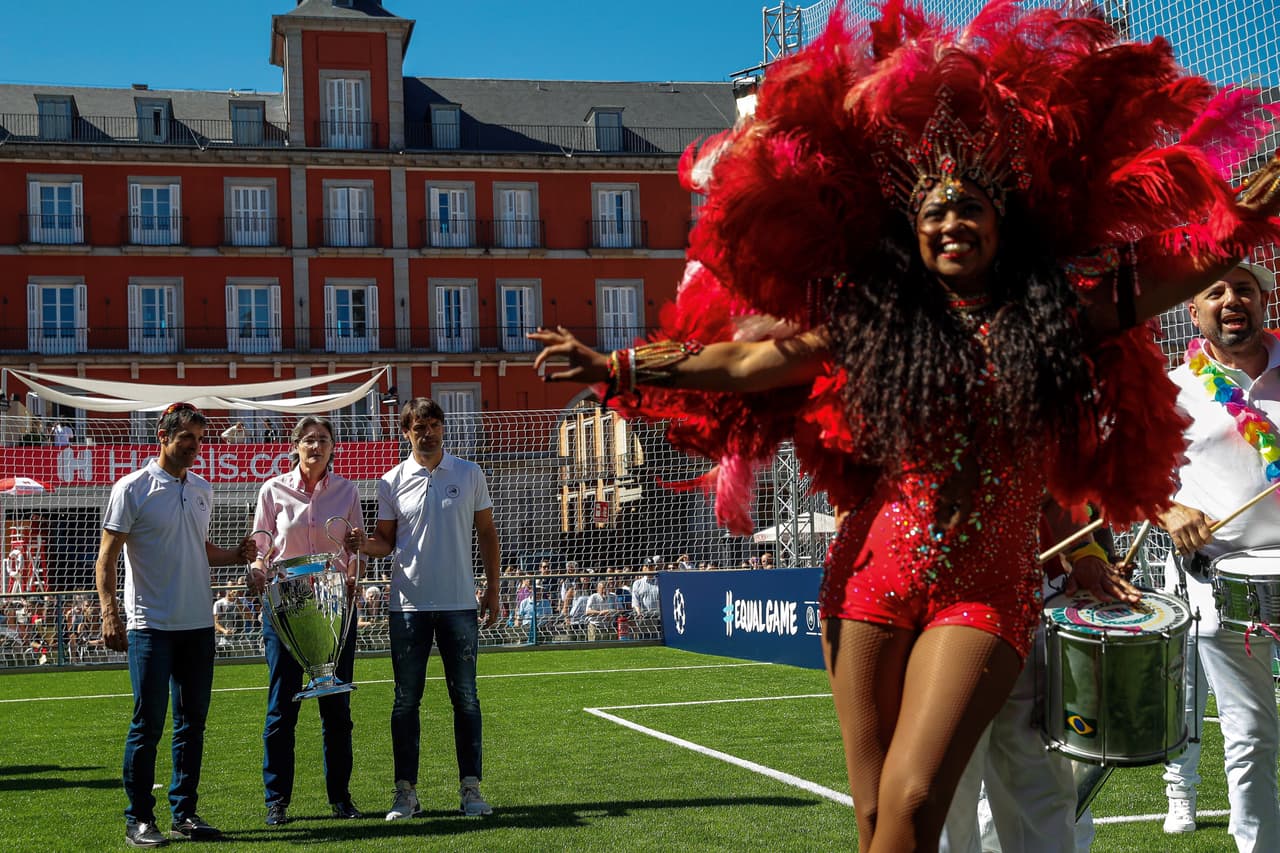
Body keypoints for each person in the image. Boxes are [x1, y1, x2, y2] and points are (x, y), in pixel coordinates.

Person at [530, 4, 1280, 847]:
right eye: (934, 214)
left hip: (986, 588)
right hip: (871, 577)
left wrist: (1256, 206)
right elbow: (746, 363)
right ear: (913, 234)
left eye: (970, 210)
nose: (952, 224)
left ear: (1002, 223)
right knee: (876, 814)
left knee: (918, 796)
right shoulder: (877, 322)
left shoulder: (1060, 317)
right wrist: (617, 367)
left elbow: (1190, 262)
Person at [94, 401, 257, 848]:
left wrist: (235, 554)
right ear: (162, 437)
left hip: (198, 625)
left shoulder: (202, 488)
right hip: (150, 625)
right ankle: (138, 819)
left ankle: (184, 813)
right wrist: (110, 613)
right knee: (148, 724)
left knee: (192, 724)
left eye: (199, 439)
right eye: (186, 437)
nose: (194, 446)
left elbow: (199, 547)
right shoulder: (132, 488)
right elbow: (106, 558)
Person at [1157, 261, 1280, 850]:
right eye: (1216, 291)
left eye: (1246, 291)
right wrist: (1167, 509)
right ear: (1194, 310)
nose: (1233, 300)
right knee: (1249, 735)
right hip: (1219, 587)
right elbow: (1132, 477)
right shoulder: (1170, 391)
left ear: (1265, 302)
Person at [351, 397, 501, 820]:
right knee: (405, 701)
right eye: (419, 427)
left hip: (459, 603)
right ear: (406, 433)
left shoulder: (469, 473)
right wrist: (363, 545)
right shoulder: (390, 480)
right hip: (407, 606)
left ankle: (471, 789)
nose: (428, 433)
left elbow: (487, 532)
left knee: (466, 699)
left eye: (434, 425)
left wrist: (493, 588)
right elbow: (385, 542)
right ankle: (405, 793)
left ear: (443, 428)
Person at [245, 415, 364, 826]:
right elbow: (262, 545)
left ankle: (341, 798)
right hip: (285, 610)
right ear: (295, 445)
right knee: (281, 707)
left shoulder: (347, 491)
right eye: (309, 440)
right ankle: (276, 801)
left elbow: (354, 548)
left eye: (323, 440)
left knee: (337, 708)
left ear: (333, 447)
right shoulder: (272, 489)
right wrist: (257, 569)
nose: (316, 447)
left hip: (333, 609)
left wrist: (354, 577)